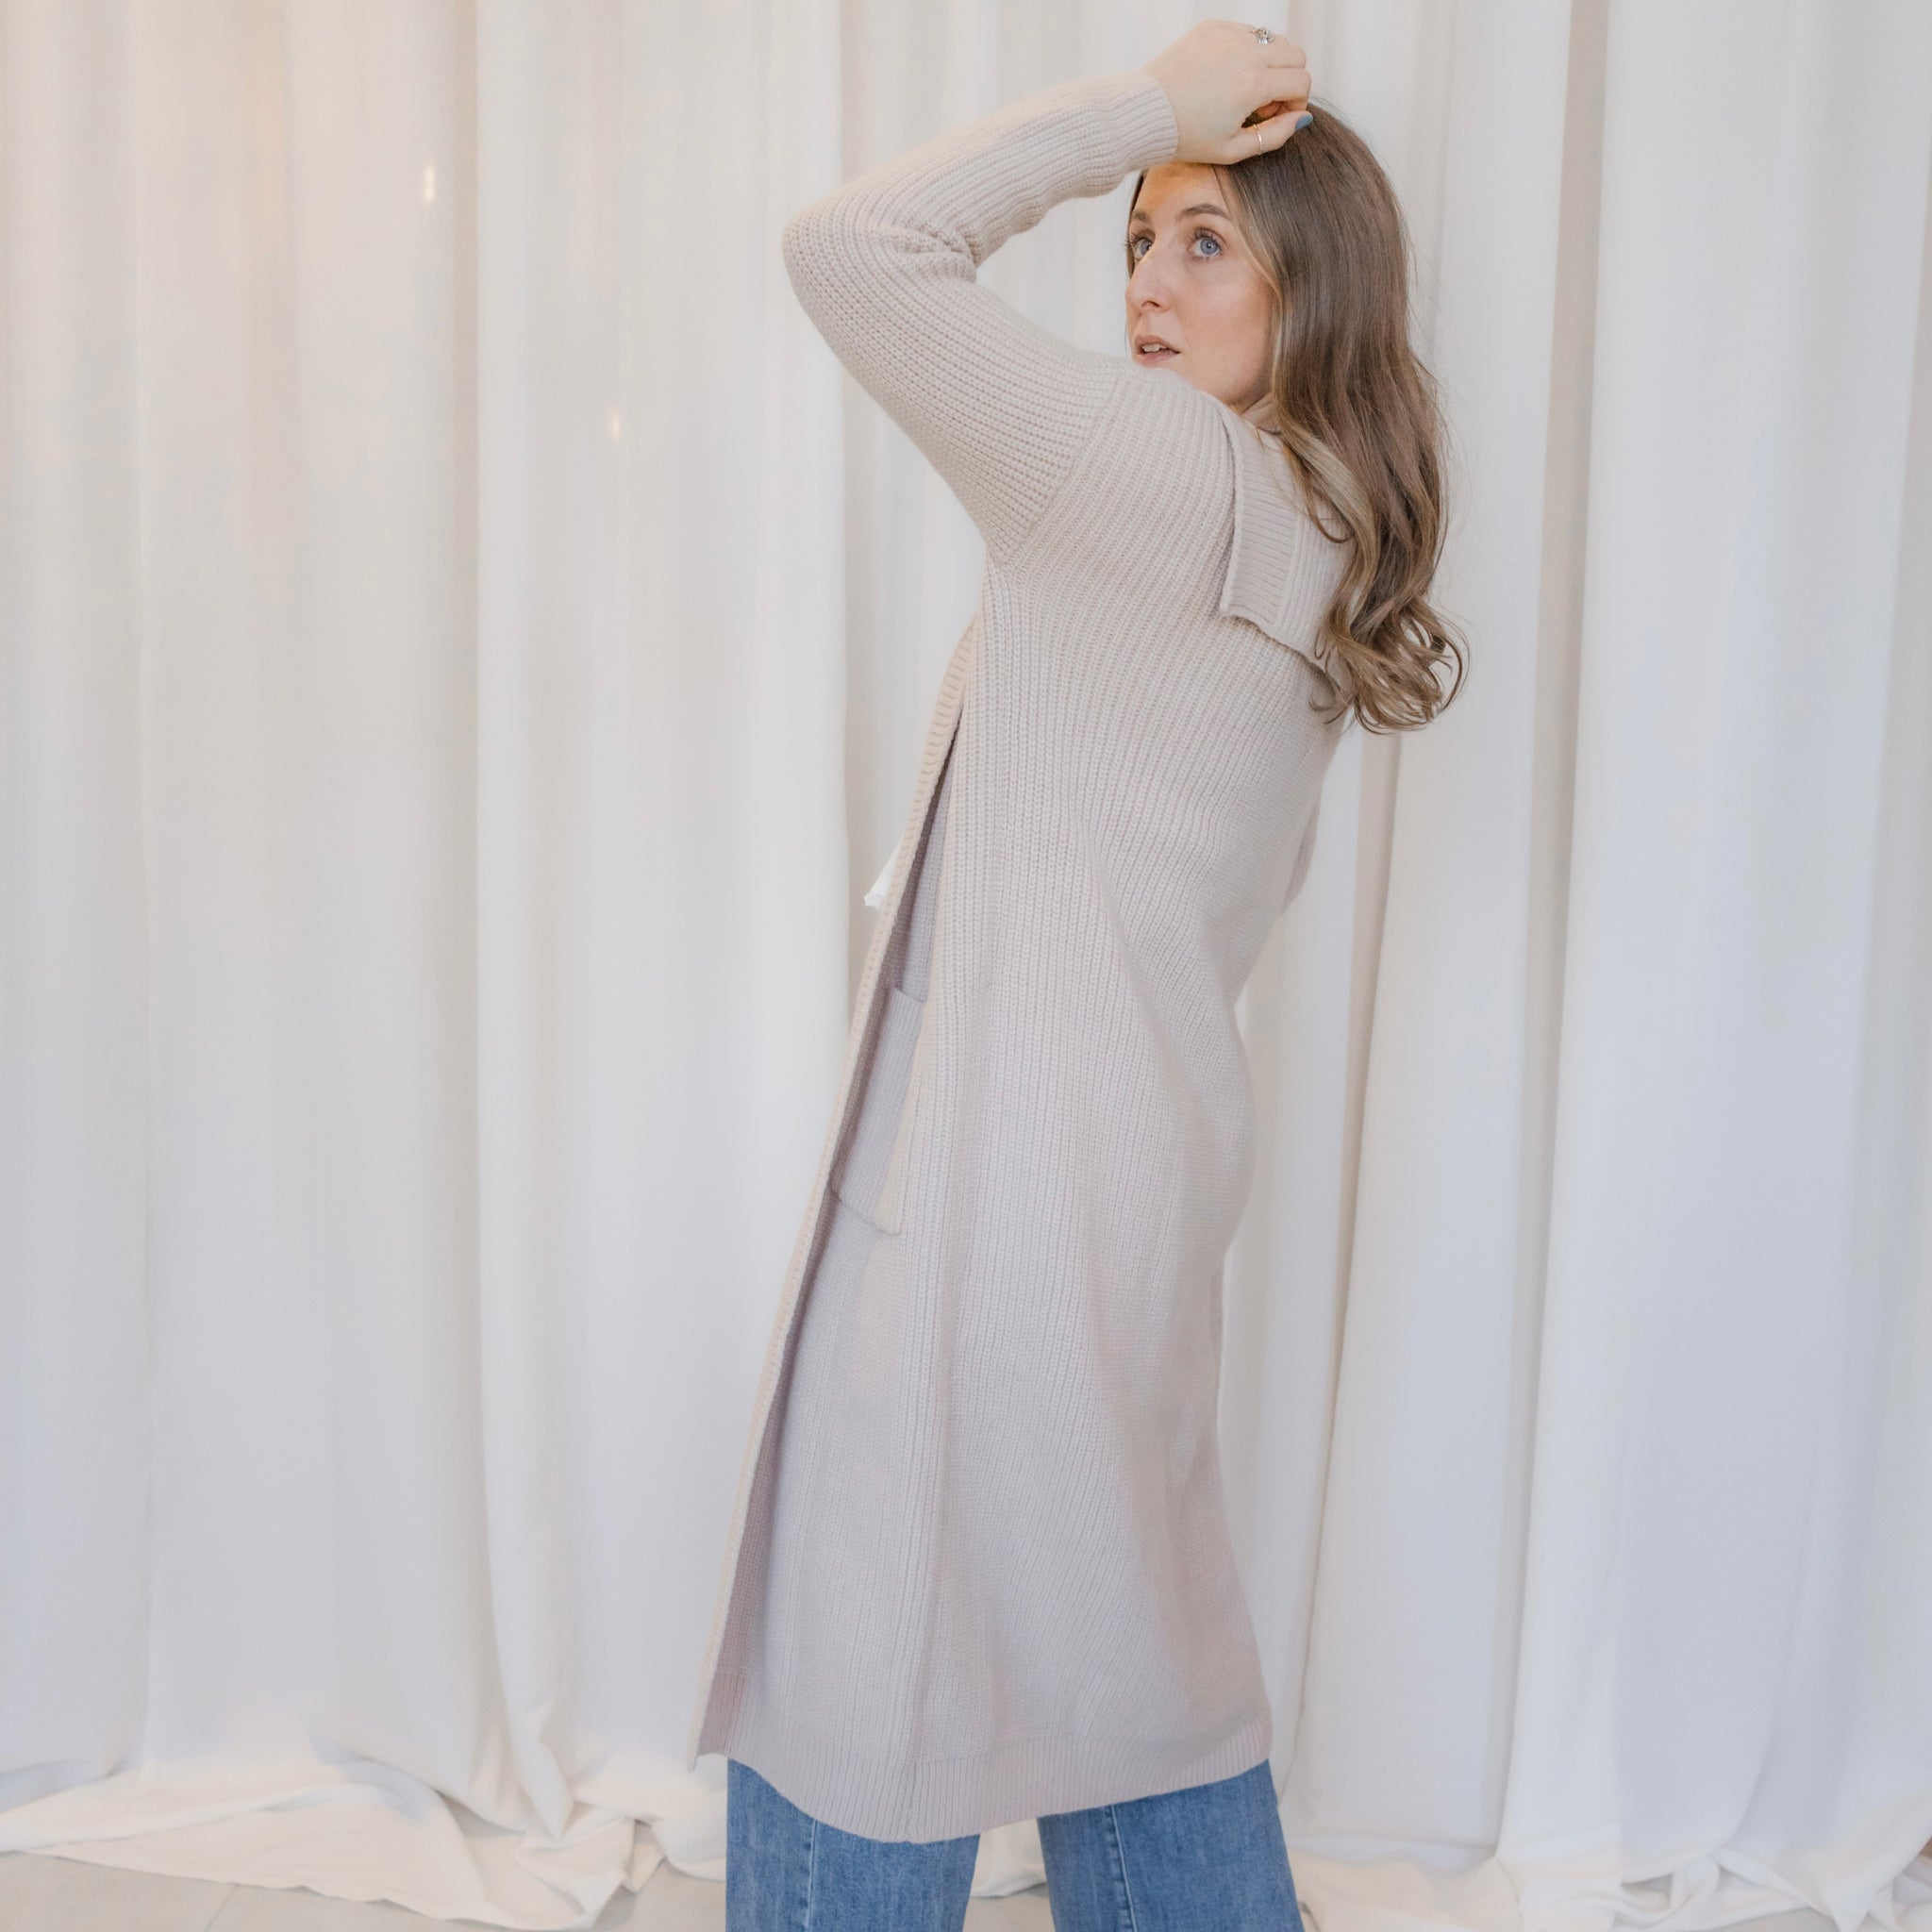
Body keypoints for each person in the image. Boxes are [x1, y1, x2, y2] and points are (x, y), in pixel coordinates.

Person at [690, 20, 1466, 1930]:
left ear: (1317, 280)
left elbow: (851, 249)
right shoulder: (1318, 538)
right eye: (1137, 235)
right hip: (1131, 1202)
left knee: (860, 1698)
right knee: (1131, 1699)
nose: (1141, 276)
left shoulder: (1154, 479)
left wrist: (1150, 106)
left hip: (993, 1214)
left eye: (1205, 237)